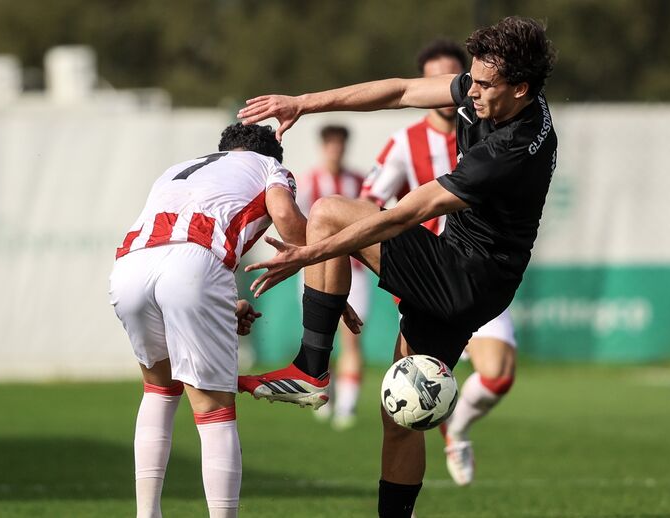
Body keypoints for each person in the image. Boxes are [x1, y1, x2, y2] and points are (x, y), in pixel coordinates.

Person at [238, 17, 556, 517]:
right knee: (401, 414)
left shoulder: (510, 150)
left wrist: (311, 254)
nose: (469, 92)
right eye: (469, 79)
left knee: (327, 213)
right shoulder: (491, 95)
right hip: (475, 278)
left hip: (464, 275)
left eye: (483, 84)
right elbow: (402, 89)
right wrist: (303, 102)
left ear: (521, 88)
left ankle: (310, 369)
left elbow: (409, 212)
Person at [109, 123, 360, 518]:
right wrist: (323, 277)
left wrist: (225, 307)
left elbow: (170, 256)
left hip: (130, 266)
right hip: (194, 265)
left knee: (159, 389)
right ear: (272, 153)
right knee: (213, 412)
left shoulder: (179, 167)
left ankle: (146, 513)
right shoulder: (269, 167)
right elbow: (286, 218)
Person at [361, 39, 520, 487]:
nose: (466, 90)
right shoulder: (404, 143)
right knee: (406, 412)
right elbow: (369, 204)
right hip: (424, 278)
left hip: (477, 274)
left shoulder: (492, 127)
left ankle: (457, 425)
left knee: (498, 377)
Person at [297, 124, 369, 429]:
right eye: (331, 144)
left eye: (340, 144)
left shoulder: (358, 182)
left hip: (355, 272)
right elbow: (294, 224)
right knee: (319, 336)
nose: (336, 150)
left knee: (351, 339)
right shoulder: (308, 182)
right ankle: (320, 393)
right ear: (324, 146)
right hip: (315, 271)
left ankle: (347, 407)